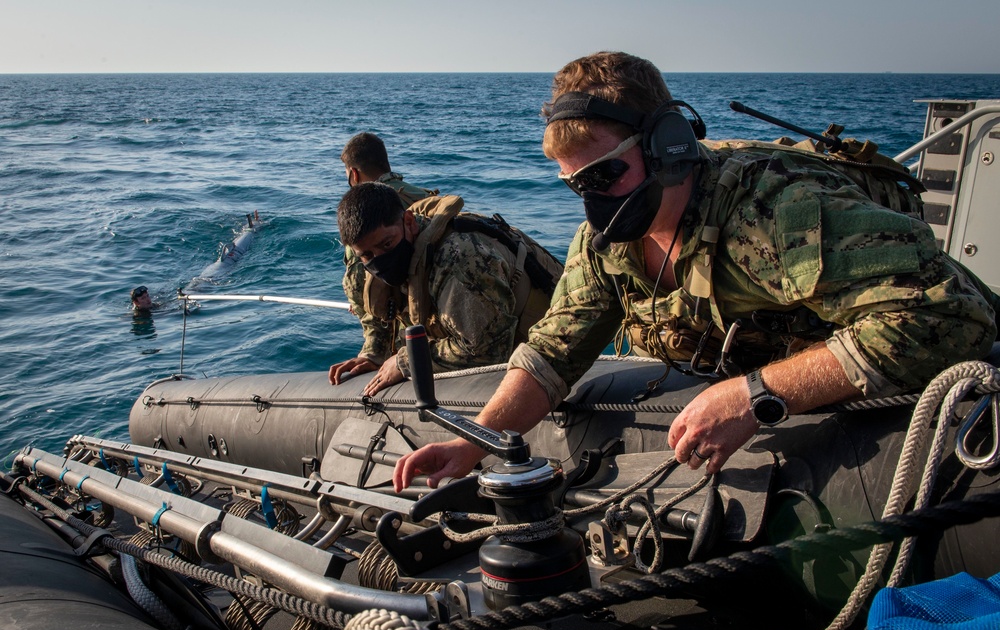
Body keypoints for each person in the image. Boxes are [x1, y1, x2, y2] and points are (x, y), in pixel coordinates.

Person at [392, 51, 998, 492]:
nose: (592, 201)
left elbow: (948, 315)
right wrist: (474, 442)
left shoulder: (774, 211)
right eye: (576, 184)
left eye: (603, 176)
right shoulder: (607, 243)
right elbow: (554, 352)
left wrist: (755, 396)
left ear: (667, 147)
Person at [329, 182, 563, 396]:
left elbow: (487, 352)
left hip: (548, 345)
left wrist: (406, 362)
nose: (379, 259)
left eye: (387, 244)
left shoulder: (459, 259)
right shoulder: (370, 263)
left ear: (409, 223)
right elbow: (379, 313)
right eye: (367, 255)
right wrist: (374, 354)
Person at [340, 132, 439, 317]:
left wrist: (358, 305)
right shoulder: (426, 198)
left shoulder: (363, 216)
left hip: (399, 316)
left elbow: (357, 287)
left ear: (354, 174)